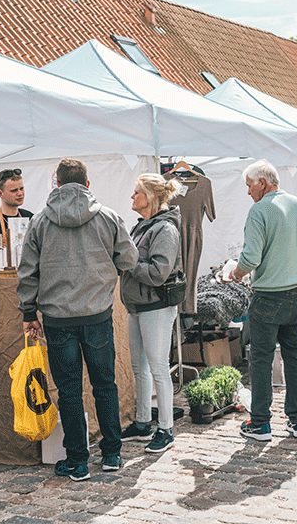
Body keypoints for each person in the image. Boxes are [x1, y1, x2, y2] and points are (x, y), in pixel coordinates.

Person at [16, 158, 139, 481]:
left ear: (56, 184)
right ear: (87, 184)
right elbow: (129, 259)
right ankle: (112, 453)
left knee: (69, 390)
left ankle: (77, 461)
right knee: (105, 384)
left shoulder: (41, 221)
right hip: (97, 314)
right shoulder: (109, 217)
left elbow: (27, 272)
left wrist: (29, 312)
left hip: (57, 319)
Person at [221, 160, 297, 442]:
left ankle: (261, 424)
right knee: (294, 357)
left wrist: (234, 274)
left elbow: (251, 258)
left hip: (269, 296)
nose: (248, 192)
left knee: (261, 359)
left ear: (263, 184)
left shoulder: (259, 210)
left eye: (249, 186)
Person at [119, 174, 183, 453]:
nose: (132, 197)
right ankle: (143, 422)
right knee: (139, 367)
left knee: (157, 368)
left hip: (156, 305)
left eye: (136, 193)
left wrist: (129, 263)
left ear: (150, 197)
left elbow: (159, 272)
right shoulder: (143, 226)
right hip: (137, 305)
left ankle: (166, 429)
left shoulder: (165, 230)